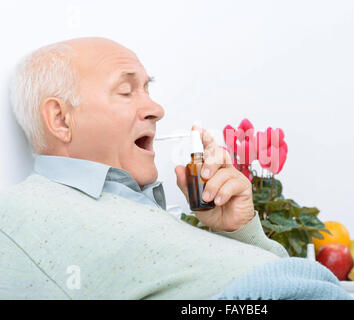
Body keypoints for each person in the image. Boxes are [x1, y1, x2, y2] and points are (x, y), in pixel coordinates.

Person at [0, 37, 290, 299]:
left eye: (147, 89)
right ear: (61, 120)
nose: (157, 109)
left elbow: (275, 283)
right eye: (126, 92)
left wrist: (240, 231)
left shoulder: (124, 206)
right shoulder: (21, 216)